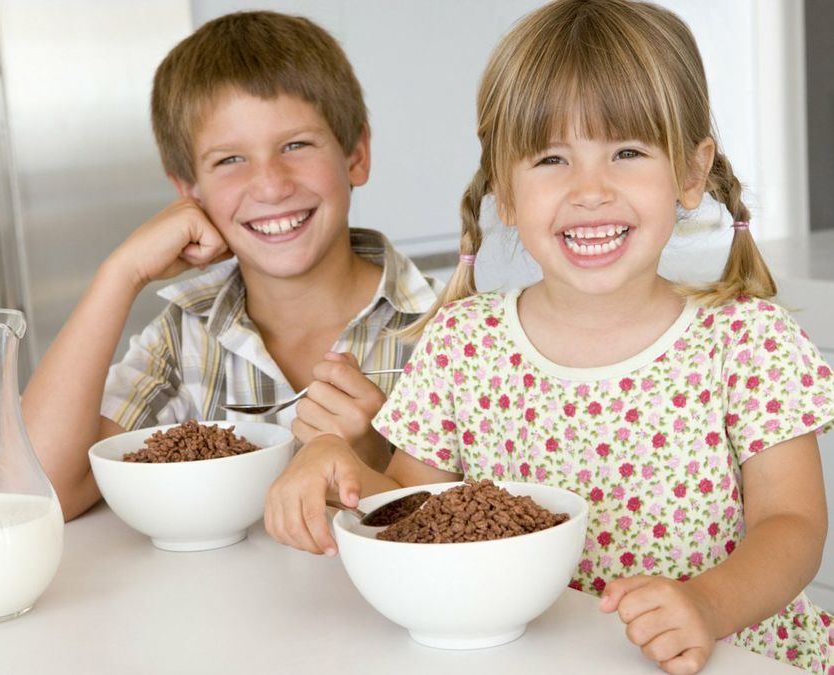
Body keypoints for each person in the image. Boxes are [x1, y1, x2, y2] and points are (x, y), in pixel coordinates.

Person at [264, 1, 834, 672]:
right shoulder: (463, 345)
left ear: (689, 172)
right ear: (505, 189)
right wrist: (333, 463)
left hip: (730, 656)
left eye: (627, 152)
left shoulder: (747, 343)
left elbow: (793, 525)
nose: (590, 190)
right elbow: (417, 516)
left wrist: (708, 605)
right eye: (552, 158)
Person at [22, 11, 441, 522]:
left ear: (356, 155)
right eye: (229, 160)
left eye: (296, 145)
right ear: (189, 190)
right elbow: (39, 492)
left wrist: (378, 463)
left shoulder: (450, 328)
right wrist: (121, 274)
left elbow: (488, 526)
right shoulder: (184, 338)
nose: (271, 185)